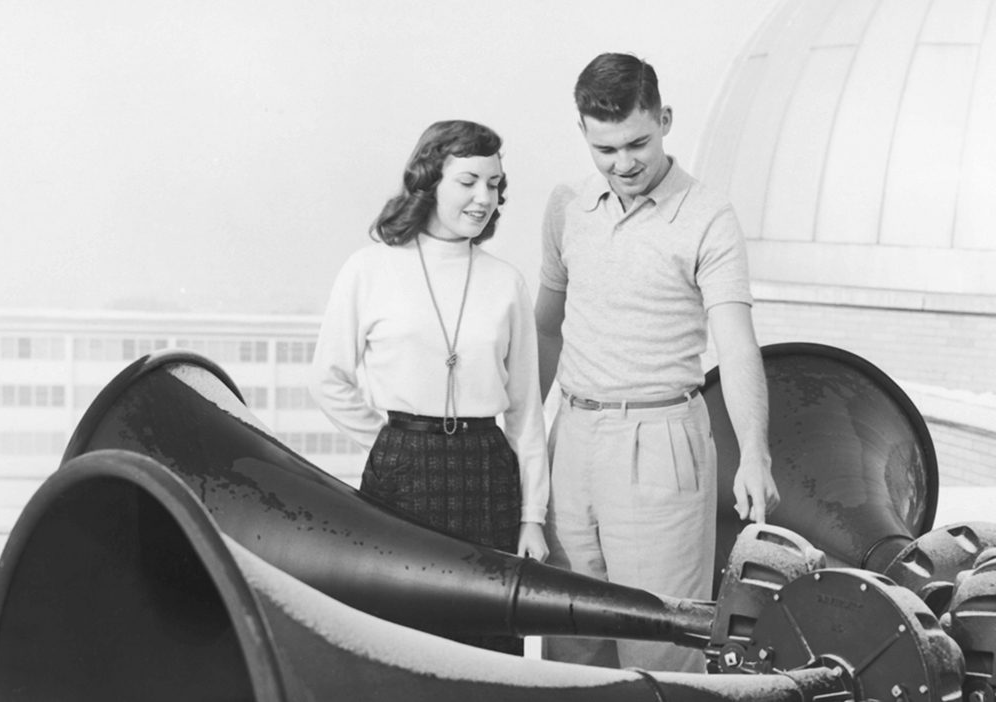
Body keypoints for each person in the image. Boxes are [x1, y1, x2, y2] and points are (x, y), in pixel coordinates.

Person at [535, 53, 781, 672]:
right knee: (571, 650)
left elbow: (737, 344)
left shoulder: (709, 216)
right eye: (605, 149)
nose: (623, 164)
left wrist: (755, 451)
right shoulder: (566, 206)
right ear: (584, 135)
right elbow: (546, 329)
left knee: (660, 649)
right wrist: (527, 445)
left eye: (637, 143)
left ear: (665, 118)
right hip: (573, 441)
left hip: (661, 442)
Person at [310, 119, 549, 656]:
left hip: (488, 476)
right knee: (400, 638)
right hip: (402, 471)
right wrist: (390, 442)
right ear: (429, 181)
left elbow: (526, 413)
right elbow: (328, 379)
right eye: (468, 181)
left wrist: (532, 517)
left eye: (493, 184)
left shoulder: (506, 281)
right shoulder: (368, 269)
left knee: (488, 642)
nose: (483, 198)